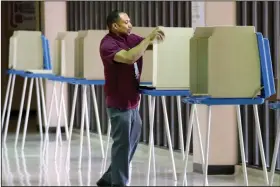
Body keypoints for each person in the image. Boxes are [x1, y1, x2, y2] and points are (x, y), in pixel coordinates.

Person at [96, 10, 165, 187]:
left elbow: (145, 45)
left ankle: (108, 178)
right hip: (119, 104)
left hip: (133, 102)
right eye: (126, 22)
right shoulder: (108, 44)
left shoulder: (130, 38)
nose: (130, 25)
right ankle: (119, 183)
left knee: (129, 144)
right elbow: (129, 57)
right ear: (114, 26)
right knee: (122, 146)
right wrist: (148, 39)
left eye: (129, 21)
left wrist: (158, 36)